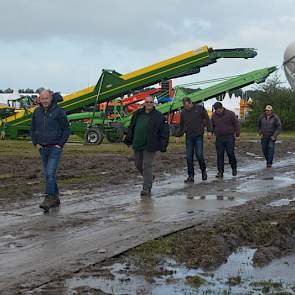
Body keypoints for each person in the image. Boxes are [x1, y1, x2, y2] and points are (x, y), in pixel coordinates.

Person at [31, 89, 70, 211]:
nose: (44, 101)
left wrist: (60, 144)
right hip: (42, 148)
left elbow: (66, 130)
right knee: (49, 174)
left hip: (55, 148)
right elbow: (32, 128)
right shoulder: (37, 112)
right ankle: (55, 197)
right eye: (42, 99)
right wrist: (35, 143)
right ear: (39, 99)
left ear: (51, 98)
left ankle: (49, 198)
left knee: (49, 173)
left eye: (46, 98)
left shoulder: (59, 112)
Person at [124, 95, 170, 197]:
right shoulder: (138, 114)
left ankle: (146, 188)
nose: (148, 104)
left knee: (147, 165)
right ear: (144, 103)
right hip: (137, 143)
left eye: (150, 102)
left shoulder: (159, 116)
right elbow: (132, 127)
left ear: (153, 103)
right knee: (138, 164)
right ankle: (150, 177)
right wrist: (128, 139)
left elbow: (165, 132)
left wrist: (163, 145)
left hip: (150, 145)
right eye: (147, 102)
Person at [176, 97, 213, 183]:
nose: (186, 107)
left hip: (198, 135)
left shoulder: (199, 109)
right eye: (185, 106)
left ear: (190, 103)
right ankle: (190, 176)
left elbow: (207, 119)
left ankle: (203, 170)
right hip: (189, 136)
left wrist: (209, 130)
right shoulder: (183, 112)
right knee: (189, 157)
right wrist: (178, 135)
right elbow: (181, 125)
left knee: (199, 155)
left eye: (187, 105)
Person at [212, 102, 240, 178]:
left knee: (230, 153)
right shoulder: (214, 115)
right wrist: (211, 133)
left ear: (221, 108)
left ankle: (234, 168)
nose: (217, 111)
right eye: (216, 110)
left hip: (229, 136)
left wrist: (237, 135)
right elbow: (212, 125)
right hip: (219, 137)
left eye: (218, 110)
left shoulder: (230, 114)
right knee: (220, 154)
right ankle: (220, 172)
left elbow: (236, 124)